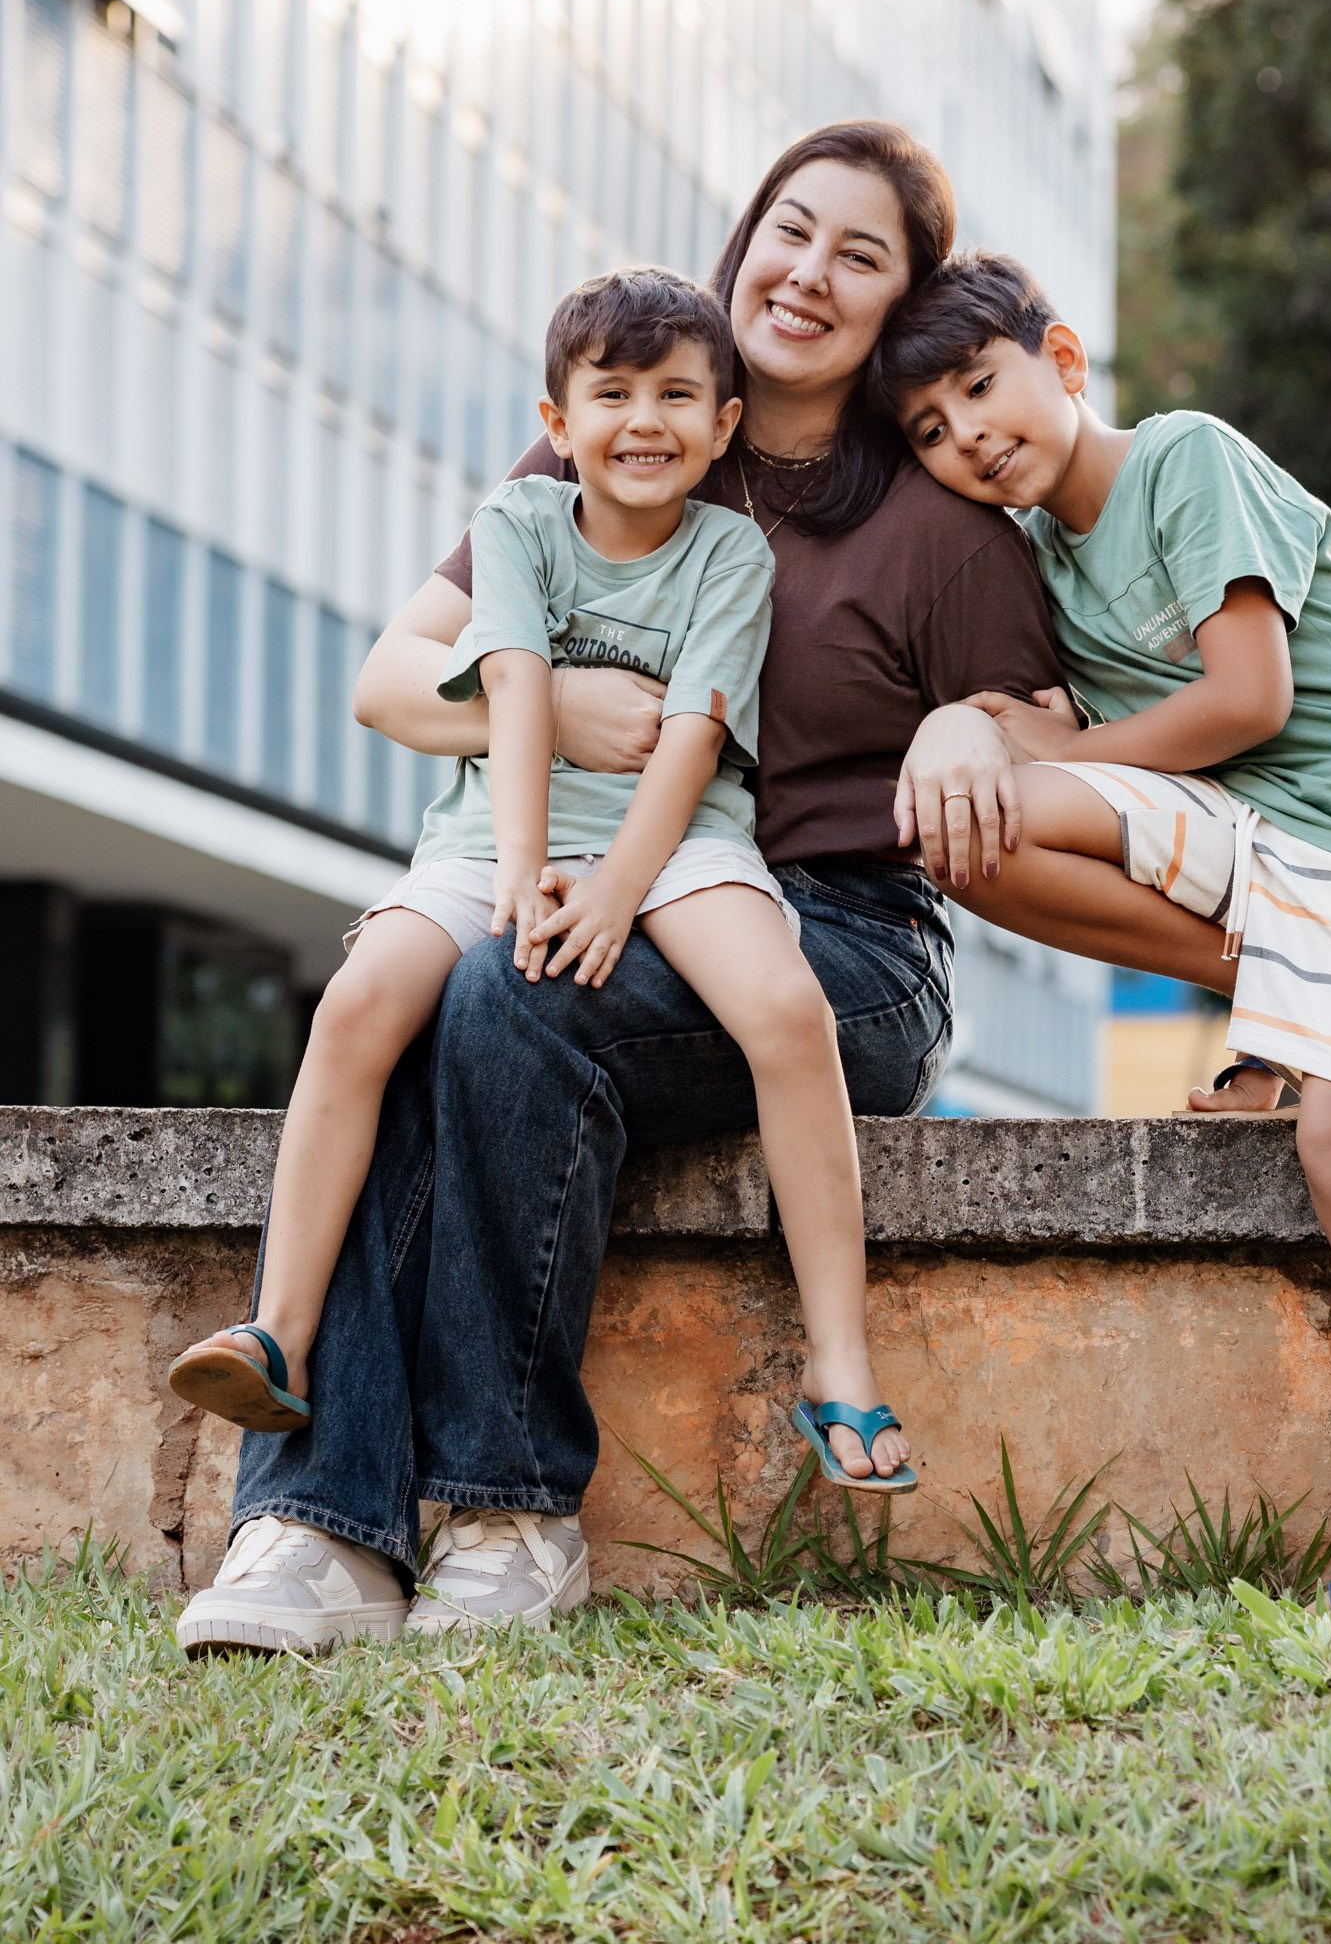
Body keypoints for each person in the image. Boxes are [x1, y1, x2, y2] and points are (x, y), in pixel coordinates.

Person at [181, 120, 1150, 1655]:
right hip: (586, 875)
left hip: (839, 938)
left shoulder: (935, 521)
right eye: (792, 227)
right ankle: (313, 1531)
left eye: (862, 256)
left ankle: (506, 1513)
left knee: (510, 984)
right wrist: (548, 706)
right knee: (444, 986)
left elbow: (1064, 735)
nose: (809, 274)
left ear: (900, 305)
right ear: (744, 235)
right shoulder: (612, 426)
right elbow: (391, 679)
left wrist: (970, 717)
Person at [168, 267, 914, 1499]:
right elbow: (514, 686)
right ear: (558, 421)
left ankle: (841, 1359)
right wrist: (521, 874)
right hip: (487, 839)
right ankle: (281, 1331)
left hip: (678, 842)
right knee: (358, 1007)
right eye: (611, 393)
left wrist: (616, 887)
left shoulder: (733, 553)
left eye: (679, 394)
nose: (645, 420)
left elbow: (690, 739)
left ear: (723, 425)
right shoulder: (518, 522)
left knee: (787, 1011)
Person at [870, 248, 1331, 1609]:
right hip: (1262, 846)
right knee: (962, 825)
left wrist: (1060, 742)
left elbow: (1245, 703)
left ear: (1064, 361)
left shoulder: (1183, 460)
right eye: (930, 429)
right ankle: (1290, 1000)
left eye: (982, 387)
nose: (969, 435)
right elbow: (1026, 741)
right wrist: (955, 724)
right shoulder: (1028, 562)